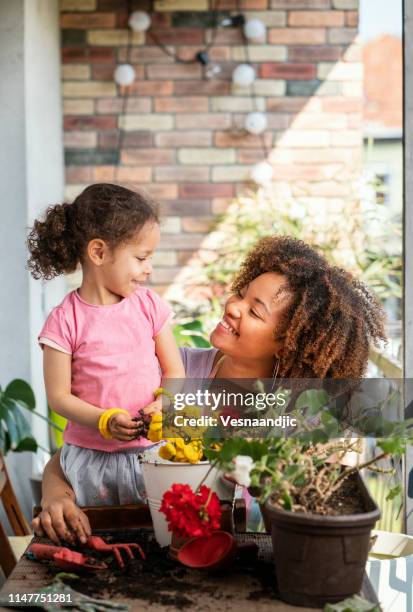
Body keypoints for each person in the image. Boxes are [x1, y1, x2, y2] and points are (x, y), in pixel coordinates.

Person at [32, 235, 386, 544]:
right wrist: (56, 495)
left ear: (289, 344)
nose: (232, 306)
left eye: (254, 311)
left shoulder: (292, 420)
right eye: (242, 294)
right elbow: (81, 454)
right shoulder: (167, 374)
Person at [27, 183, 185, 511]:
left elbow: (174, 371)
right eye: (141, 257)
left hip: (154, 455)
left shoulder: (149, 306)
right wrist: (103, 420)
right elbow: (59, 397)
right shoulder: (63, 321)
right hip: (91, 464)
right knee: (101, 538)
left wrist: (164, 405)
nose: (149, 268)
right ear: (98, 252)